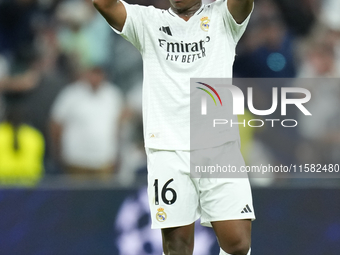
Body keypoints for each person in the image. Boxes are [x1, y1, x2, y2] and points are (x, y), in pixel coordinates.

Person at [93, 0, 255, 254]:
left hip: (219, 146)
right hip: (167, 150)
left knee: (237, 243)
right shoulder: (147, 21)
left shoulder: (223, 17)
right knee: (177, 245)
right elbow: (103, 4)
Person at [50, 66, 123, 179]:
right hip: (76, 160)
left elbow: (118, 127)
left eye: (98, 74)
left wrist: (118, 154)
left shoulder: (113, 95)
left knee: (102, 196)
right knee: (76, 196)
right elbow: (55, 124)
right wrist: (57, 153)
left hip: (104, 160)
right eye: (93, 73)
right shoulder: (71, 94)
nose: (95, 77)